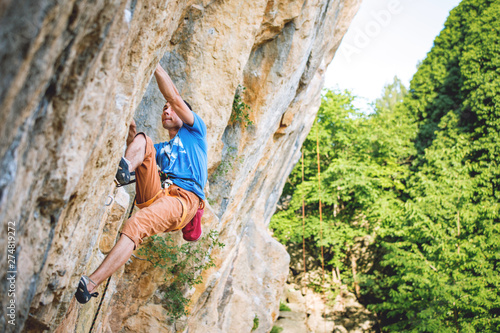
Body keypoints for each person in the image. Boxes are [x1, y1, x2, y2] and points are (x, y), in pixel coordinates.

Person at [75, 63, 208, 304]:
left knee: (137, 225)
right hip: (159, 195)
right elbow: (143, 151)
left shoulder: (195, 132)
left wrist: (155, 64)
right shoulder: (162, 149)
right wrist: (131, 134)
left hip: (183, 200)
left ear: (184, 115)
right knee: (143, 139)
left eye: (172, 109)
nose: (167, 110)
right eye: (164, 108)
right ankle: (123, 172)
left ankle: (90, 284)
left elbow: (174, 96)